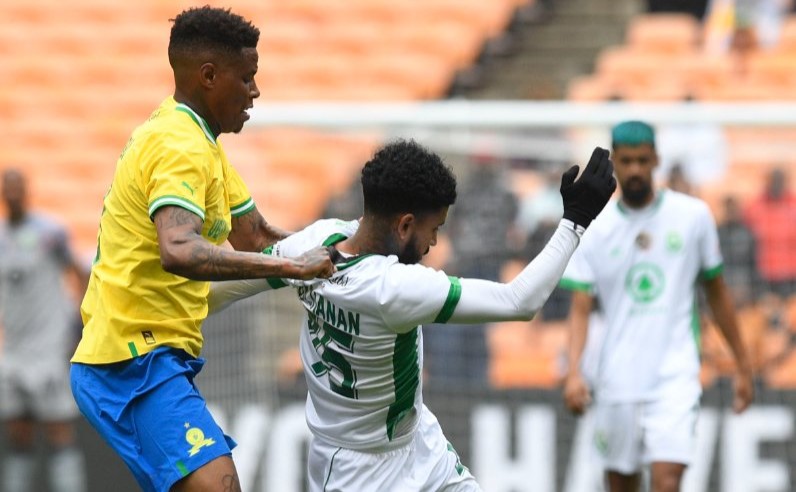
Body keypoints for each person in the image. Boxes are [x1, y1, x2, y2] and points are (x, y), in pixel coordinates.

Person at [207, 139, 617, 491]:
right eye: (433, 229)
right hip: (359, 474)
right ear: (404, 226)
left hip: (416, 443)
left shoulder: (315, 242)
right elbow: (519, 302)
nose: (433, 243)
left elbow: (228, 287)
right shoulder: (394, 288)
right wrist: (574, 223)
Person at [69, 7, 335, 492]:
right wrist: (296, 268)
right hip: (130, 361)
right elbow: (179, 249)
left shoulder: (202, 143)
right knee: (219, 485)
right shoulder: (178, 145)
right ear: (209, 76)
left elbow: (257, 238)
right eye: (248, 78)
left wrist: (350, 245)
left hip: (151, 357)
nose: (255, 91)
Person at [561, 121, 754, 492]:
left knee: (667, 481)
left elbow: (717, 293)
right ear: (615, 161)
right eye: (628, 161)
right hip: (616, 377)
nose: (635, 170)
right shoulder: (595, 229)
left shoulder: (693, 216)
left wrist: (743, 365)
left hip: (675, 376)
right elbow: (580, 307)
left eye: (642, 161)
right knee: (622, 485)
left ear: (656, 161)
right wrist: (573, 372)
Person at [0, 169, 87, 492]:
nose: (12, 194)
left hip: (48, 350)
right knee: (18, 436)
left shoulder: (51, 233)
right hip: (14, 352)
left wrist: (80, 326)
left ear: (26, 191)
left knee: (59, 432)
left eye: (17, 187)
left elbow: (79, 274)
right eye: (7, 188)